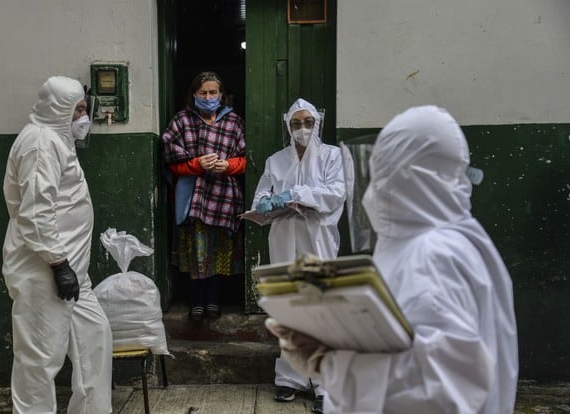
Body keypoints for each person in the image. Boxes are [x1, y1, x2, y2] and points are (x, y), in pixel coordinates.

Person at [265, 105, 519, 414]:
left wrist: (332, 361)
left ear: (416, 174)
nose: (374, 186)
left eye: (384, 171)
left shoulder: (434, 257)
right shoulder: (440, 241)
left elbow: (439, 397)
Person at [2, 75, 113, 414]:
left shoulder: (57, 140)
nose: (84, 117)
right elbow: (36, 212)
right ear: (58, 110)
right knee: (40, 358)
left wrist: (68, 267)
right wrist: (58, 264)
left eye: (84, 108)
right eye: (77, 110)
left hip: (72, 271)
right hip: (46, 271)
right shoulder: (40, 144)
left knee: (95, 336)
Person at [251, 98, 346, 414]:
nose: (302, 128)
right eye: (296, 123)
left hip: (317, 239)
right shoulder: (276, 160)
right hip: (284, 237)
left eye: (307, 122)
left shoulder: (332, 156)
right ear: (288, 126)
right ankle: (290, 379)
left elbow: (334, 194)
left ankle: (324, 386)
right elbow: (263, 193)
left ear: (316, 123)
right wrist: (266, 202)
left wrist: (297, 195)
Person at [162, 71, 246, 321]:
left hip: (224, 198)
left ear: (222, 96)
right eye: (203, 93)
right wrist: (197, 164)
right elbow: (169, 162)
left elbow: (246, 160)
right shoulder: (182, 122)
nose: (208, 97)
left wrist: (228, 166)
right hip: (194, 200)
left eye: (213, 93)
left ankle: (213, 300)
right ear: (194, 95)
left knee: (220, 249)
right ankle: (197, 300)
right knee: (198, 252)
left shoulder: (234, 123)